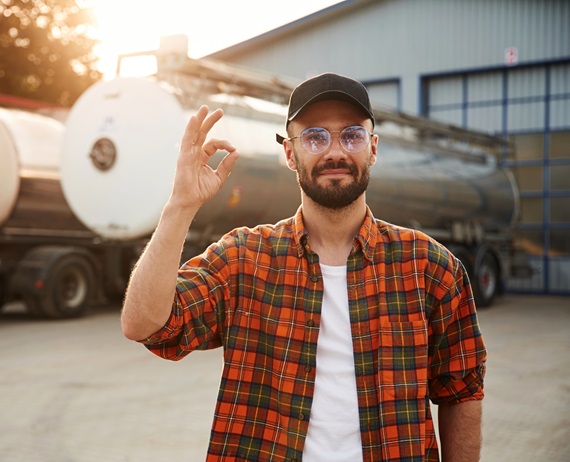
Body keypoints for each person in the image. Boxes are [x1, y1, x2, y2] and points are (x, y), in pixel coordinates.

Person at [121, 72, 487, 461]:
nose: (335, 152)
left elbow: (461, 391)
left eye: (351, 135)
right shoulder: (244, 258)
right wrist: (180, 206)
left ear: (373, 149)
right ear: (290, 154)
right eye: (314, 136)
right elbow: (146, 325)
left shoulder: (429, 266)